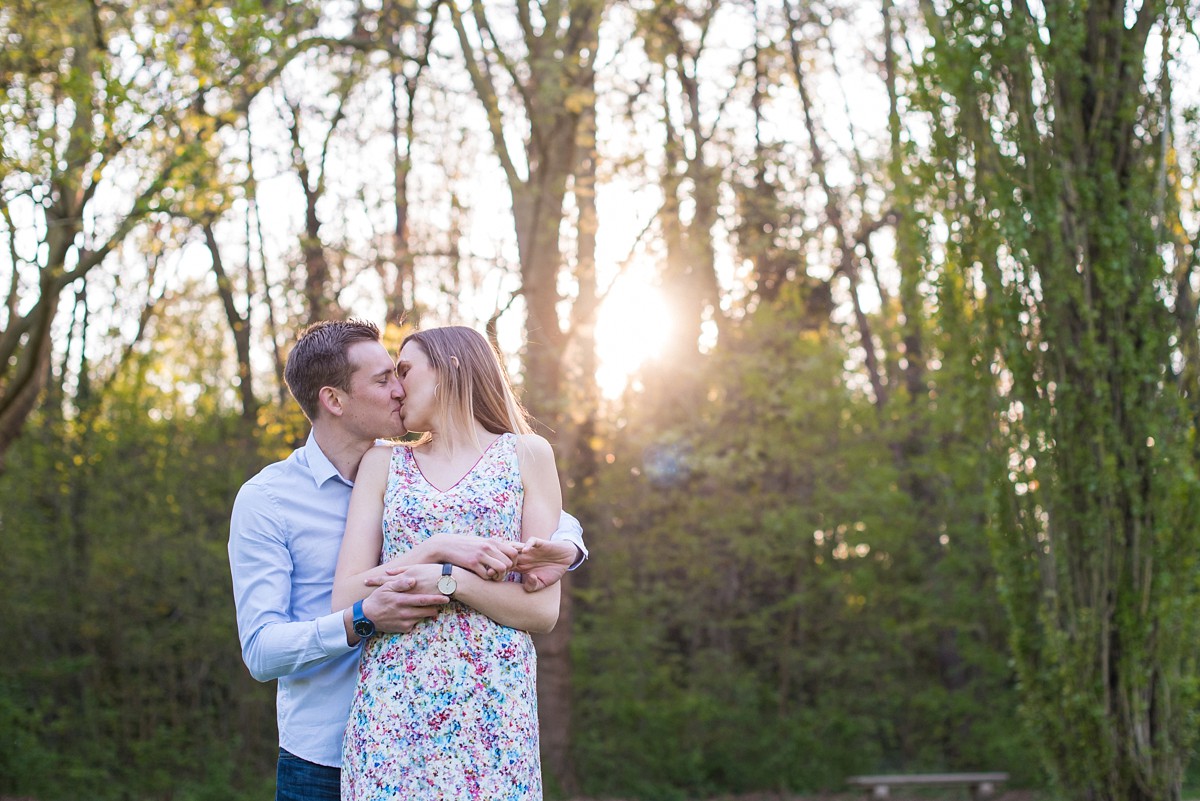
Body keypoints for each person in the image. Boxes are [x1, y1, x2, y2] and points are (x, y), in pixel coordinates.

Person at [228, 319, 587, 801]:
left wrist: (571, 544)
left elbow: (542, 542)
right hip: (337, 744)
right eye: (383, 379)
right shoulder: (271, 500)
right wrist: (395, 592)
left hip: (486, 720)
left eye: (401, 372)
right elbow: (264, 648)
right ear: (334, 400)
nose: (398, 388)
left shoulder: (508, 457)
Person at [332, 325, 565, 800]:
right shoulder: (383, 464)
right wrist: (437, 549)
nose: (396, 388)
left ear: (449, 369)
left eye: (405, 370)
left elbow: (542, 611)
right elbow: (346, 598)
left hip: (494, 714)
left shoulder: (527, 455)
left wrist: (448, 580)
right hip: (393, 710)